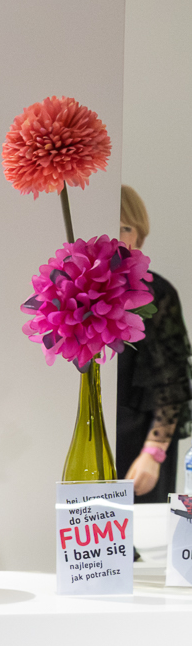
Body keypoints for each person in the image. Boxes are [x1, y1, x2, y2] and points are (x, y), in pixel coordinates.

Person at [118, 185, 192, 503]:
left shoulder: (157, 294)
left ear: (139, 236)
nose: (116, 237)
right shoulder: (73, 292)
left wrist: (154, 452)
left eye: (125, 228)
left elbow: (172, 383)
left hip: (139, 446)